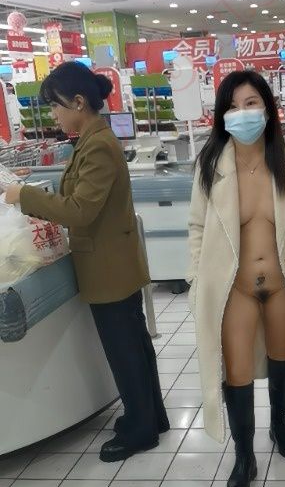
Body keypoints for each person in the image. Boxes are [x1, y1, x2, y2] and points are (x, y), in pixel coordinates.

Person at [0, 62, 169, 462]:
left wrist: (23, 195)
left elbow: (79, 210)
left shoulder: (98, 146)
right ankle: (150, 417)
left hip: (108, 267)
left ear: (78, 102)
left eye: (55, 106)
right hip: (114, 262)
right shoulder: (93, 141)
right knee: (134, 344)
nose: (53, 115)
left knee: (124, 350)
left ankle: (141, 430)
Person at [188, 69, 285, 487]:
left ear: (268, 108)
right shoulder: (211, 163)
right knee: (236, 370)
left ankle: (280, 424)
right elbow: (197, 227)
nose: (242, 113)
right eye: (232, 106)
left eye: (251, 103)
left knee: (283, 358)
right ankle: (243, 455)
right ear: (221, 115)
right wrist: (197, 279)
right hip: (235, 288)